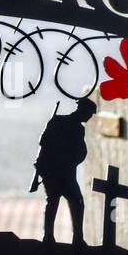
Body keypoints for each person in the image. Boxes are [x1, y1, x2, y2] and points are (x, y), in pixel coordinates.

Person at [34, 98, 97, 245]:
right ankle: (50, 237)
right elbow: (44, 141)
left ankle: (76, 238)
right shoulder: (58, 121)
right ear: (82, 111)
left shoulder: (77, 127)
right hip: (55, 171)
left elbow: (80, 150)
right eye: (89, 114)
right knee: (58, 201)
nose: (89, 117)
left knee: (74, 202)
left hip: (66, 171)